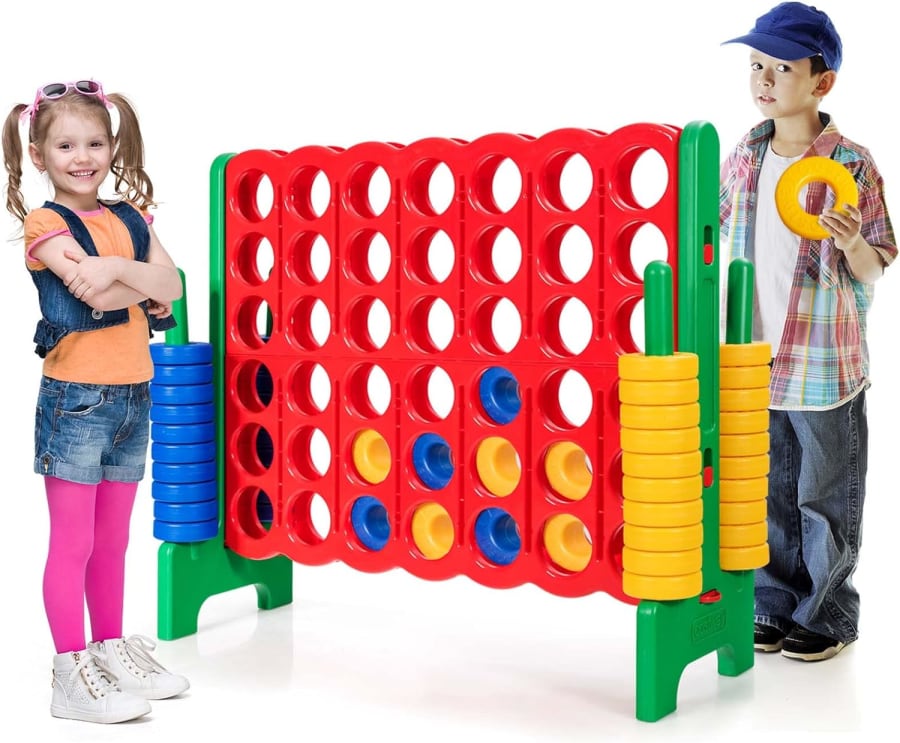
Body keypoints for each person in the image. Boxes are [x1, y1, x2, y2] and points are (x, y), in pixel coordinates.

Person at [2, 80, 190, 723]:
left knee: (112, 542)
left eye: (95, 143)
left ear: (113, 147)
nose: (82, 157)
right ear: (38, 154)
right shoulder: (46, 223)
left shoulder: (130, 217)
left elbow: (175, 284)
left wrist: (118, 270)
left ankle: (109, 651)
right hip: (76, 401)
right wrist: (138, 280)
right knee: (73, 542)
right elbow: (97, 295)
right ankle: (69, 672)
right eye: (65, 146)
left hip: (135, 394)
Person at [719, 3, 896, 662]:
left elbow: (876, 264)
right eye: (755, 66)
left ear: (822, 82)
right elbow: (714, 231)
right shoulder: (745, 155)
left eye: (782, 68)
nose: (764, 80)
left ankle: (826, 613)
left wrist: (851, 242)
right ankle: (772, 603)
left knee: (823, 495)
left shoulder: (851, 163)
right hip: (753, 356)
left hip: (823, 362)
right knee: (767, 488)